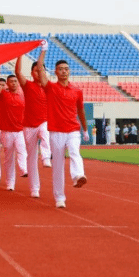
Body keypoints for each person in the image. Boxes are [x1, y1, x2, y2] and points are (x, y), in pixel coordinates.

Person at [38, 56, 89, 209]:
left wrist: (85, 129)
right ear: (56, 72)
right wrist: (43, 51)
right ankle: (59, 197)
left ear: (69, 71)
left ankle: (78, 175)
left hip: (73, 129)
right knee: (58, 165)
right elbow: (40, 70)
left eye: (66, 69)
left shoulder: (77, 91)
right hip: (56, 131)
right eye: (61, 69)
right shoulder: (51, 87)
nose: (64, 71)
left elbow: (81, 110)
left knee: (74, 151)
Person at [15, 44, 51, 198]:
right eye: (36, 71)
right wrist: (20, 54)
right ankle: (34, 189)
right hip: (28, 125)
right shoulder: (27, 85)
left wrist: (43, 51)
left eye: (41, 70)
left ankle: (46, 157)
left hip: (43, 121)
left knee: (45, 133)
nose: (38, 73)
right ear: (31, 73)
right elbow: (17, 72)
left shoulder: (49, 87)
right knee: (30, 158)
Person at [0, 68, 27, 191]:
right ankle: (10, 182)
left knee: (22, 150)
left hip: (19, 131)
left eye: (15, 81)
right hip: (7, 132)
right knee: (8, 159)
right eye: (11, 81)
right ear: (7, 84)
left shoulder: (22, 96)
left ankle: (24, 169)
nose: (14, 83)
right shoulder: (3, 95)